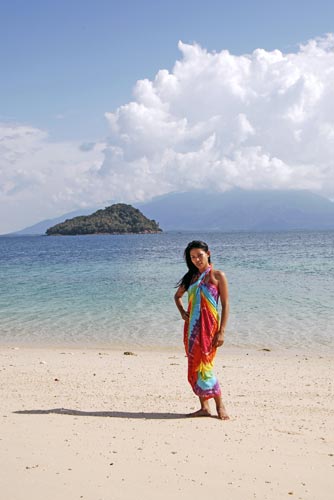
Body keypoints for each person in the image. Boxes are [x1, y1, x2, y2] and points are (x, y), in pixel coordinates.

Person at [174, 240, 229, 420]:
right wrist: (183, 313)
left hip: (209, 329)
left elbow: (226, 305)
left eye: (199, 255)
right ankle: (204, 407)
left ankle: (220, 406)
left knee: (206, 366)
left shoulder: (217, 276)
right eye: (192, 257)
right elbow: (177, 296)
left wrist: (221, 332)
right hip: (192, 329)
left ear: (208, 253)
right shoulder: (191, 278)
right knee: (195, 366)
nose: (197, 259)